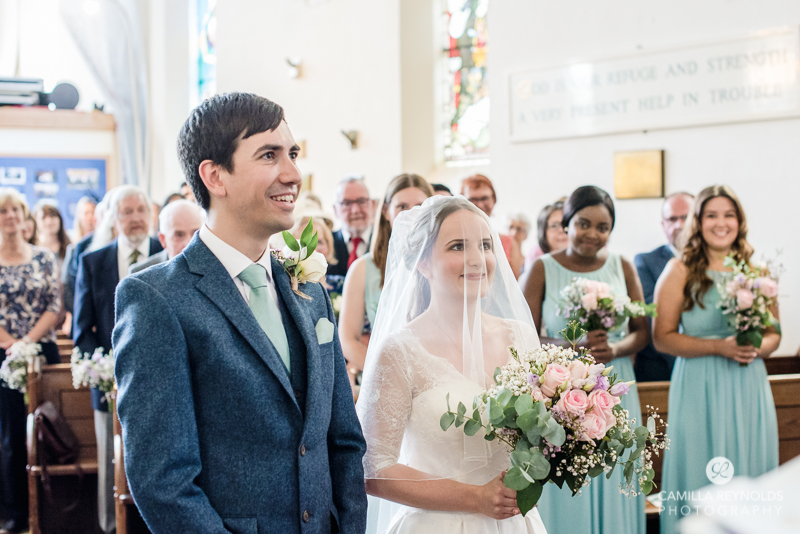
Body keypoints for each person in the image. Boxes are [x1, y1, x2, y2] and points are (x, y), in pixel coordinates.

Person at [113, 93, 367, 533]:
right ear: (215, 175)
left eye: (292, 154)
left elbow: (343, 442)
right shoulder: (157, 299)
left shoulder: (308, 287)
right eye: (269, 155)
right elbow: (164, 483)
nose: (292, 173)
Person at [357, 195, 547, 533]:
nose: (477, 259)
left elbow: (545, 436)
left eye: (485, 245)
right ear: (423, 263)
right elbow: (374, 467)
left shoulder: (520, 337)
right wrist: (475, 498)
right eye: (458, 247)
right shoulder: (400, 350)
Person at [520, 185, 648, 534]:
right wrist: (570, 346)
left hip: (615, 386)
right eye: (583, 223)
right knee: (571, 475)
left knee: (613, 470)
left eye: (602, 227)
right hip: (563, 388)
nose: (592, 233)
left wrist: (617, 349)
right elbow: (523, 335)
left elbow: (642, 330)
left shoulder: (622, 265)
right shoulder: (541, 268)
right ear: (566, 223)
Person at [653, 185, 779, 534]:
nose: (721, 223)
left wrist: (757, 348)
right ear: (699, 221)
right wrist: (718, 347)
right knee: (700, 471)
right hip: (698, 385)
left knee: (749, 470)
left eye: (729, 215)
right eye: (711, 215)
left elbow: (774, 333)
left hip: (747, 381)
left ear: (739, 221)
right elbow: (662, 338)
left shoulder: (757, 271)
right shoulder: (679, 270)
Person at [73, 185, 163, 534]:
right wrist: (103, 369)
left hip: (160, 380)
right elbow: (83, 329)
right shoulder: (93, 262)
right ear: (114, 218)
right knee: (112, 459)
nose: (136, 217)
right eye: (127, 211)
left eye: (141, 209)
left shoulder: (166, 252)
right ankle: (111, 526)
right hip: (110, 383)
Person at [0, 188, 61, 534]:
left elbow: (54, 306)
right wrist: (11, 345)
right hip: (3, 356)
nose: (9, 216)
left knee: (46, 431)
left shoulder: (42, 257)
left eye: (15, 210)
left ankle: (53, 509)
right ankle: (15, 513)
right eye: (3, 210)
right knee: (10, 437)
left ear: (24, 217)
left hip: (41, 351)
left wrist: (27, 342)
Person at [339, 174, 433, 385]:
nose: (412, 214)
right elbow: (347, 339)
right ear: (386, 212)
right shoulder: (363, 269)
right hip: (385, 379)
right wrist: (388, 377)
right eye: (402, 206)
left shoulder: (446, 265)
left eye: (420, 206)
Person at [633, 192, 694, 382]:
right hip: (661, 369)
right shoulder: (646, 262)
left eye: (686, 217)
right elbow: (655, 320)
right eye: (672, 219)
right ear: (663, 225)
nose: (680, 225)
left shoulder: (718, 263)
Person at [461, 174, 524, 278]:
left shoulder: (509, 242)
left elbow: (514, 284)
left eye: (485, 198)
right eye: (473, 199)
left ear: (494, 200)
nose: (480, 205)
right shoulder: (455, 239)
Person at [62, 191, 113, 316]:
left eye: (93, 212)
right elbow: (69, 288)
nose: (91, 217)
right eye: (86, 213)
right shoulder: (77, 248)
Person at [130, 199, 204, 274]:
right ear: (163, 240)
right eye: (179, 235)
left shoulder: (213, 266)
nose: (189, 243)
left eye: (195, 233)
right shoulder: (140, 274)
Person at [329, 177, 376, 277]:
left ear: (373, 205)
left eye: (361, 201)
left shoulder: (387, 241)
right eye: (346, 203)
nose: (355, 210)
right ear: (335, 210)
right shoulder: (326, 244)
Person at [288, 213, 343, 295]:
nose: (314, 250)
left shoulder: (342, 285)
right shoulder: (287, 288)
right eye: (305, 244)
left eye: (320, 242)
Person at [524, 200, 568, 271]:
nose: (561, 230)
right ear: (543, 231)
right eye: (554, 226)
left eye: (565, 224)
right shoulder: (536, 257)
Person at [33, 200, 71, 267]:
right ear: (36, 222)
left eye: (52, 216)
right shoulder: (32, 248)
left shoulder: (70, 247)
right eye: (43, 217)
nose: (49, 221)